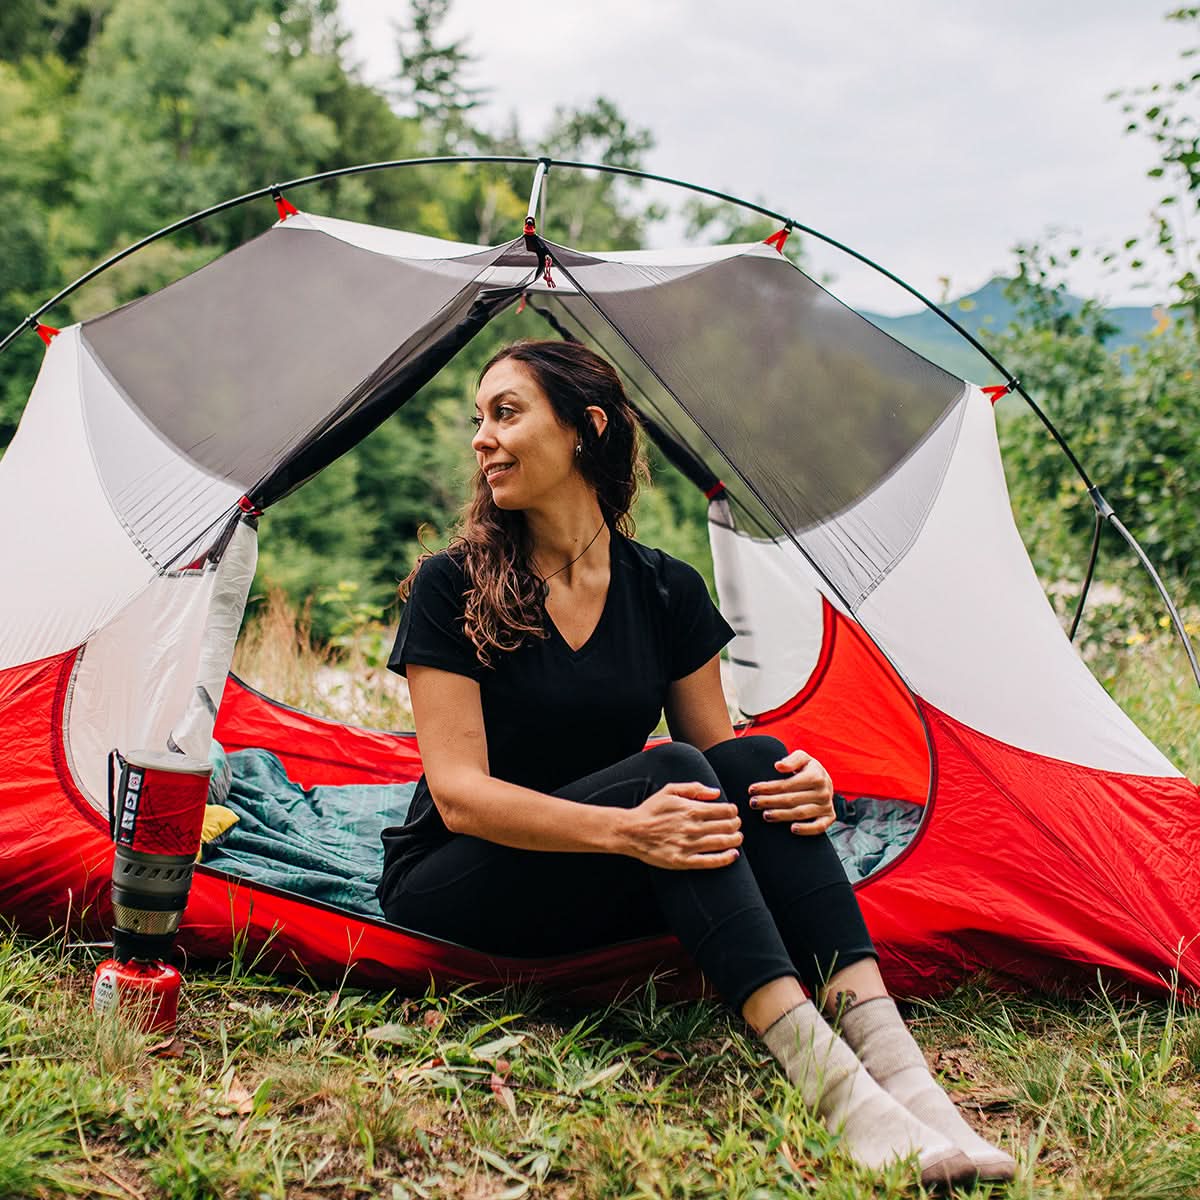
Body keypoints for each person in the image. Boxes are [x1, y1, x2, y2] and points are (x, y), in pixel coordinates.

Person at [376, 339, 1016, 1188]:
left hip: (595, 870)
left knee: (760, 760)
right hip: (462, 875)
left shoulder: (665, 590)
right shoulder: (451, 585)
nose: (481, 438)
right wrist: (628, 830)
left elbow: (725, 766)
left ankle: (904, 1076)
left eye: (506, 413)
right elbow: (459, 796)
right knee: (667, 770)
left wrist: (805, 787)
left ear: (584, 429)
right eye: (479, 418)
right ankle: (836, 1092)